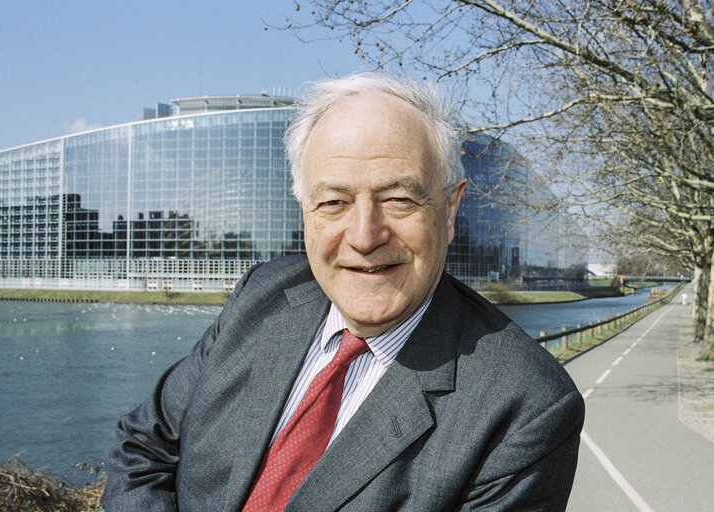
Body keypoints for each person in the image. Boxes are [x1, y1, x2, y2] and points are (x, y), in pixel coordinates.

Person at [101, 73, 585, 511]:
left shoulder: (526, 404)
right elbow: (141, 450)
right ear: (304, 209)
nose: (364, 235)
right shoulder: (262, 295)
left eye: (398, 199)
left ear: (450, 208)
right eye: (333, 202)